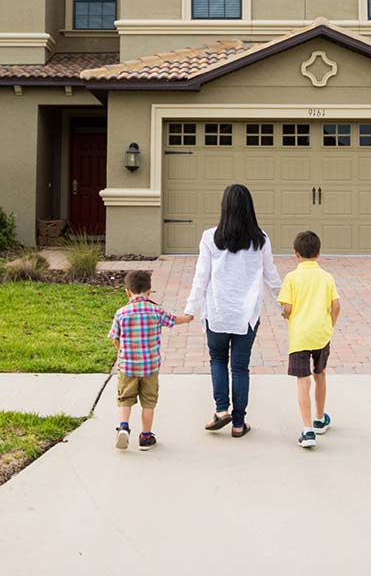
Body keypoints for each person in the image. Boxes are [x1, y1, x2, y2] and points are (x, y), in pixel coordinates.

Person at [185, 184, 282, 438]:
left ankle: (221, 411)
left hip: (217, 312)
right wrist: (284, 305)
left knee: (217, 359)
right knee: (240, 367)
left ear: (224, 207)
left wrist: (190, 309)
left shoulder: (210, 237)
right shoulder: (260, 238)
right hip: (246, 315)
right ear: (249, 207)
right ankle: (239, 424)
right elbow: (271, 276)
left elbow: (201, 278)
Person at [109, 270, 193, 451]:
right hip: (150, 367)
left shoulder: (121, 313)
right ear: (149, 292)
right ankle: (146, 437)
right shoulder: (155, 311)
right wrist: (187, 318)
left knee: (125, 399)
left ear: (127, 292)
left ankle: (123, 427)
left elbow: (115, 337)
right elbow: (173, 320)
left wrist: (121, 351)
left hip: (127, 366)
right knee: (149, 402)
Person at [277, 230, 340, 449]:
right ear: (319, 252)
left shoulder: (292, 278)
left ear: (296, 253)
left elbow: (287, 308)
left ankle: (307, 430)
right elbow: (336, 306)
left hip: (300, 336)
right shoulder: (326, 277)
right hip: (321, 334)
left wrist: (285, 315)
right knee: (319, 374)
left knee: (302, 381)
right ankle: (320, 418)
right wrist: (329, 325)